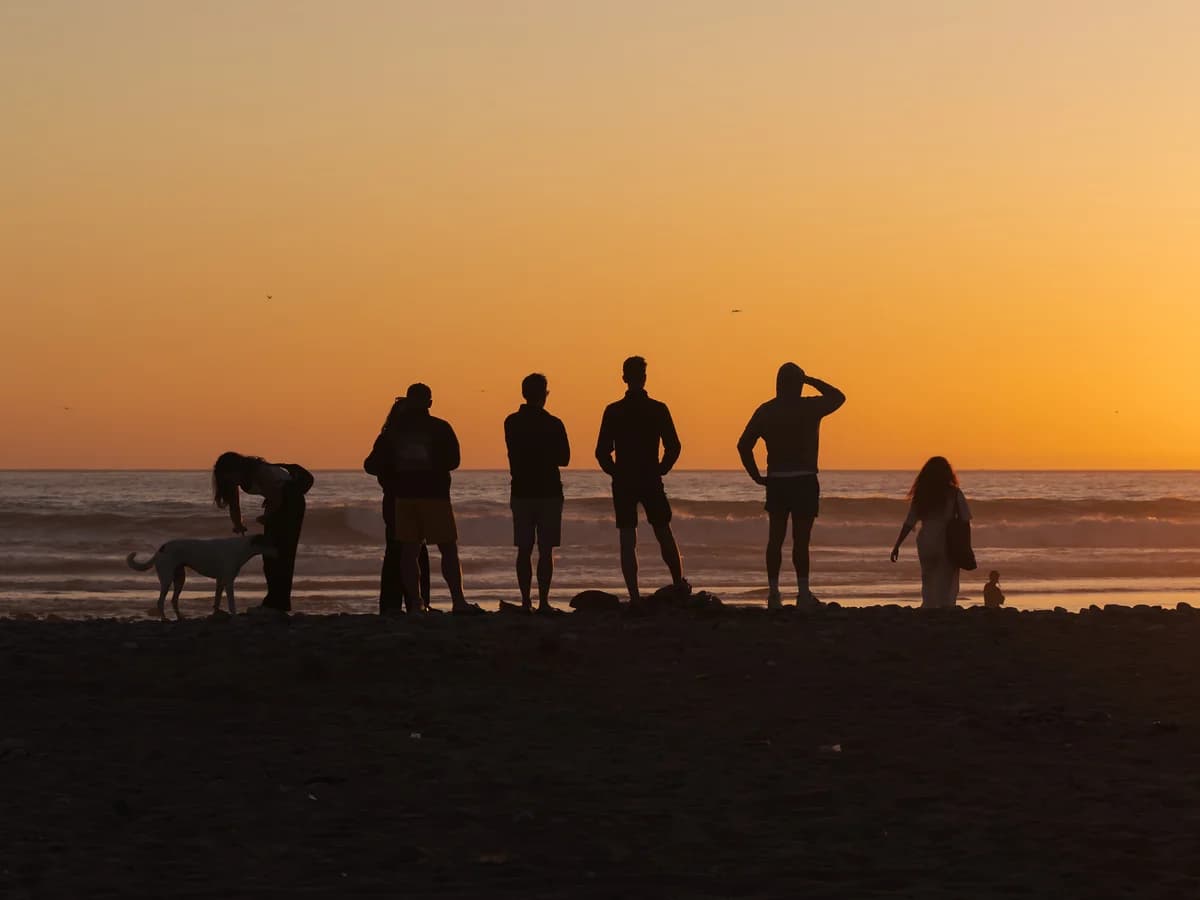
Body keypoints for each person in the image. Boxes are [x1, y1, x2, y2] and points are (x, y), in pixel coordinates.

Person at [737, 363, 846, 610]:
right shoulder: (809, 407)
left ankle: (774, 594)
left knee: (775, 539)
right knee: (801, 541)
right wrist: (811, 380)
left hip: (777, 481)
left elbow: (743, 445)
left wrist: (756, 475)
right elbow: (839, 397)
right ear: (798, 384)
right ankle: (803, 593)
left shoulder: (767, 410)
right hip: (804, 480)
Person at [595, 356, 687, 605]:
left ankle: (634, 596)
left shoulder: (614, 410)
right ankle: (678, 583)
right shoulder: (657, 409)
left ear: (624, 378)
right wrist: (662, 469)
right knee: (663, 530)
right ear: (644, 378)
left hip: (625, 478)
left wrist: (615, 472)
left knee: (628, 538)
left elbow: (602, 452)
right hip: (649, 476)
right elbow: (674, 446)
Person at [387, 383, 483, 615]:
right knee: (448, 548)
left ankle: (415, 603)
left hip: (405, 495)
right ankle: (457, 601)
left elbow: (382, 462)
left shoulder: (396, 431)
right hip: (434, 495)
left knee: (409, 552)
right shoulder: (439, 427)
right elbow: (454, 461)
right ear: (430, 402)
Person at [212, 452, 314, 614]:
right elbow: (234, 505)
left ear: (237, 468)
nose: (230, 481)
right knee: (270, 555)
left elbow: (277, 497)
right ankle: (274, 602)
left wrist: (267, 517)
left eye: (229, 476)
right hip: (278, 502)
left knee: (281, 554)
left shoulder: (259, 471)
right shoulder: (238, 479)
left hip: (291, 502)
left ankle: (277, 604)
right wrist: (238, 524)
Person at [503, 373, 570, 614]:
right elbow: (565, 458)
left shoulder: (511, 422)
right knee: (546, 549)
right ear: (545, 394)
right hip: (548, 490)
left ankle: (525, 601)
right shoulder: (553, 423)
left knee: (524, 548)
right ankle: (543, 601)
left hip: (522, 490)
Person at [364, 396, 431, 614]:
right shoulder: (392, 438)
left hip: (402, 497)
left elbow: (371, 465)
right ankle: (408, 603)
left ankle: (407, 603)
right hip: (400, 498)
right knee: (407, 550)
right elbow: (371, 465)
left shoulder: (391, 437)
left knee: (404, 550)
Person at [890, 456, 972, 609]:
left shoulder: (921, 494)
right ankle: (946, 606)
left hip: (926, 539)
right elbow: (965, 520)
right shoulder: (954, 493)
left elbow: (909, 522)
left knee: (928, 576)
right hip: (946, 540)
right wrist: (966, 545)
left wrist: (897, 545)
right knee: (948, 576)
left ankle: (929, 606)